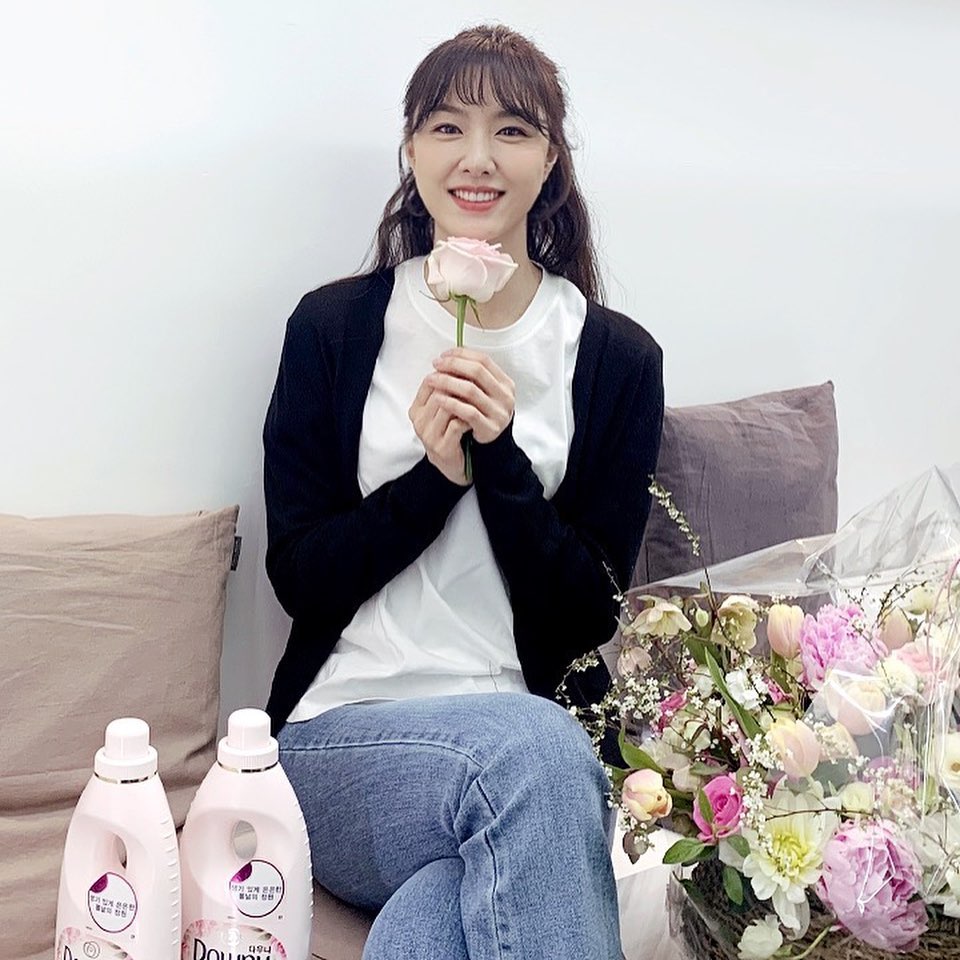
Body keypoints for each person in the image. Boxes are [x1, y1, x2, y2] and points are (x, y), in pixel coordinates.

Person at [262, 24, 663, 960]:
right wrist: (433, 481)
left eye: (512, 131)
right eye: (447, 127)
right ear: (412, 149)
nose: (477, 158)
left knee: (441, 917)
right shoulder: (333, 328)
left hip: (533, 758)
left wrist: (501, 461)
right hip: (343, 741)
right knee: (536, 751)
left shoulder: (616, 358)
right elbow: (299, 579)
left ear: (550, 159)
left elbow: (589, 611)